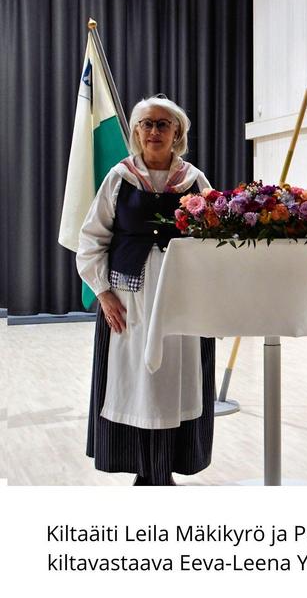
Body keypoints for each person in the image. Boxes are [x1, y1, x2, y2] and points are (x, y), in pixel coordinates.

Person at [77, 94, 215, 486]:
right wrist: (103, 293)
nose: (154, 131)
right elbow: (91, 239)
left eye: (162, 124)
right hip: (129, 299)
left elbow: (213, 239)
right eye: (147, 124)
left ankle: (166, 468)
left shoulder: (194, 181)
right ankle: (142, 469)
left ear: (177, 132)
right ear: (137, 132)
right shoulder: (119, 178)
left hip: (181, 298)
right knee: (135, 383)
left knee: (176, 381)